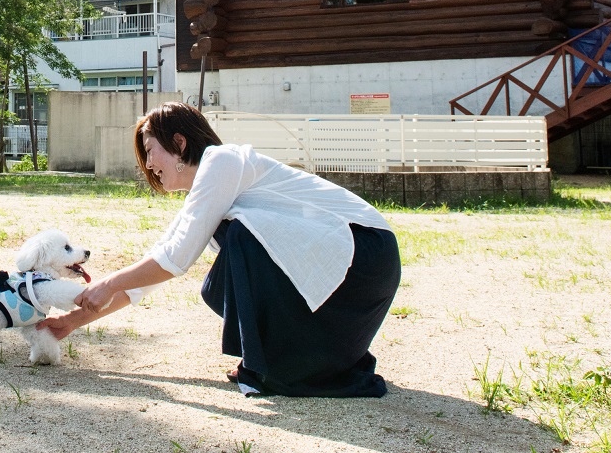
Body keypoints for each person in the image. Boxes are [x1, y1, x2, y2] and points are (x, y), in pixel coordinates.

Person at [36, 103, 400, 397]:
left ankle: (282, 367)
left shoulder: (222, 161)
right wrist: (72, 322)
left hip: (365, 252)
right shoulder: (210, 192)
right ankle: (291, 364)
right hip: (354, 262)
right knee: (234, 257)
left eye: (150, 151)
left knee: (240, 242)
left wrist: (107, 283)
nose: (148, 166)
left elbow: (174, 260)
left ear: (179, 143)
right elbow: (153, 270)